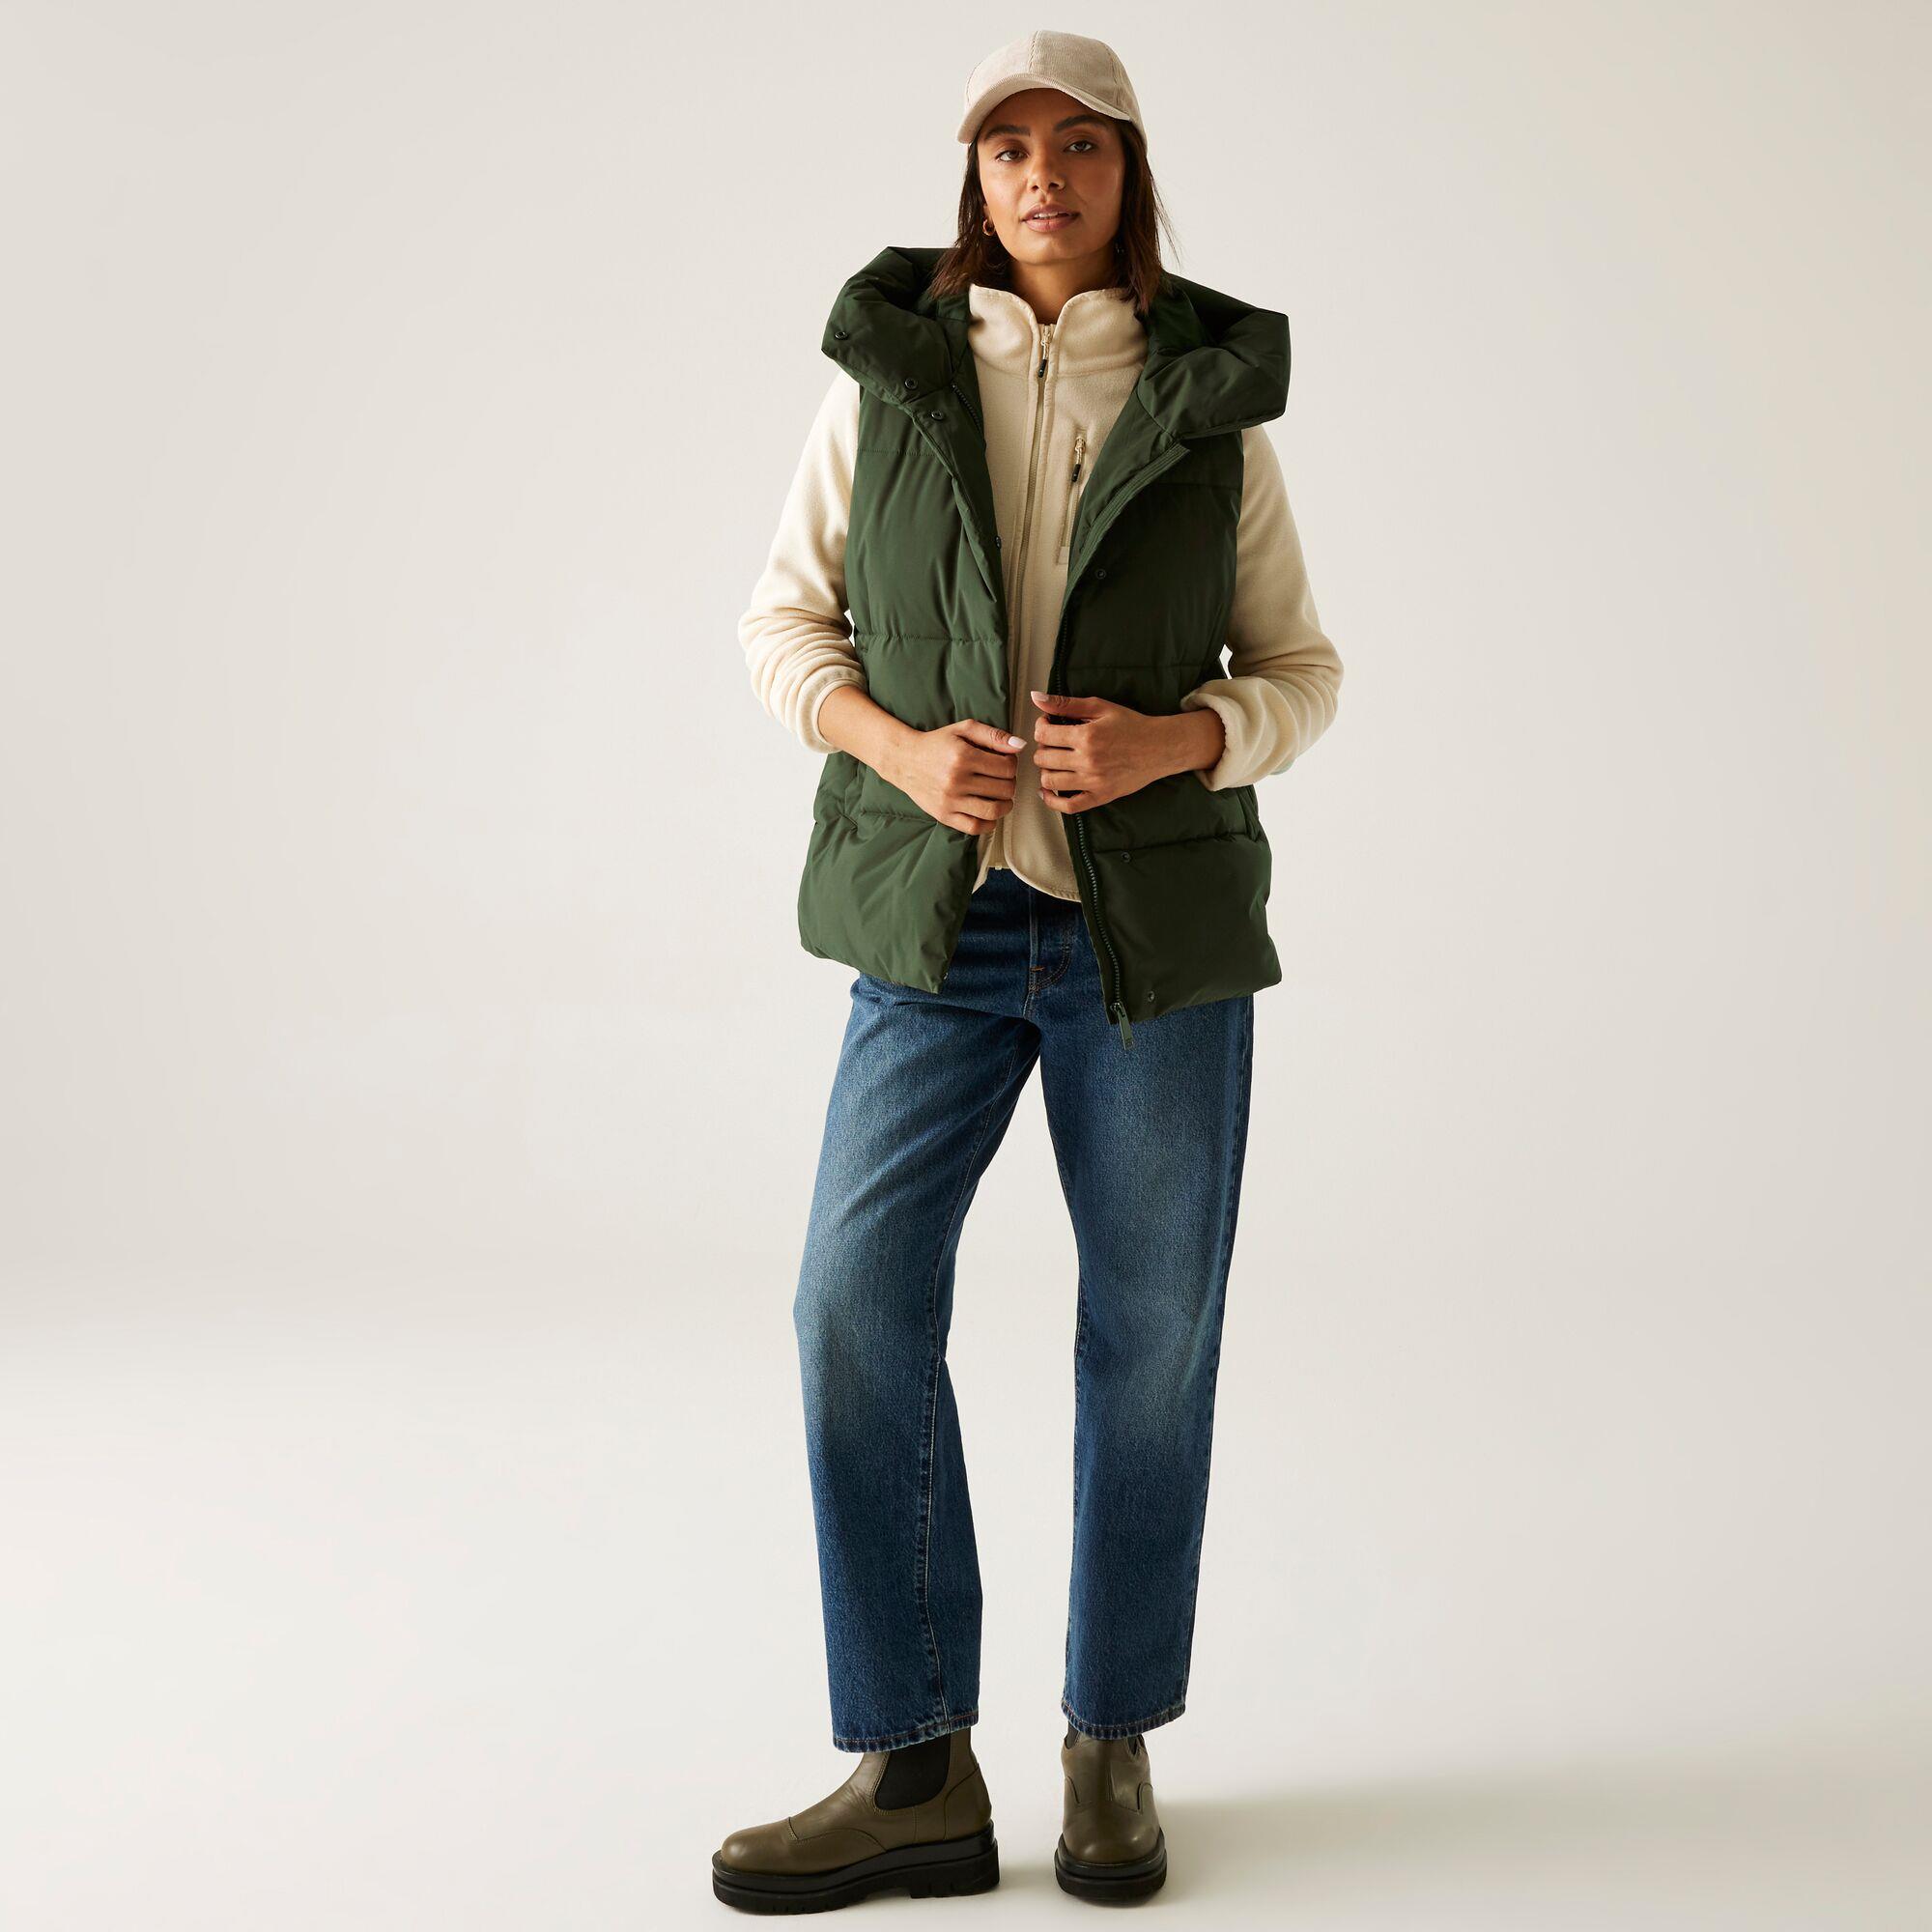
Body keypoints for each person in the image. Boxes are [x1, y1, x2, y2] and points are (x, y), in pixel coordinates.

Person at [714, 28, 1344, 1914]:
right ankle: (914, 1765)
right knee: (850, 1305)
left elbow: (1302, 672)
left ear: (1127, 175)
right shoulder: (893, 383)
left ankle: (1107, 1742)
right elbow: (781, 624)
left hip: (1152, 948)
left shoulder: (1207, 403)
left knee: (1148, 1340)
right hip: (938, 928)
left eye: (1079, 146)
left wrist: (1180, 741)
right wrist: (897, 750)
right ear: (973, 183)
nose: (1042, 178)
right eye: (1007, 149)